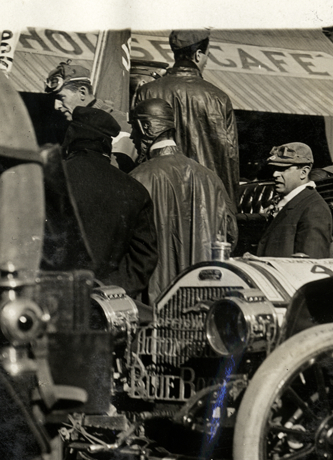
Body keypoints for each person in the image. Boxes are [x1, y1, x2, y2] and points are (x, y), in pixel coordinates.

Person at [43, 106, 157, 299]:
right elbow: (144, 258)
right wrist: (108, 291)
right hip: (106, 307)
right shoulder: (135, 191)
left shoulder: (47, 178)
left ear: (70, 138)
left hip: (52, 299)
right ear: (107, 145)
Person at [128, 98, 235, 299]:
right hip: (203, 297)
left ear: (145, 127)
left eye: (133, 128)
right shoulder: (211, 178)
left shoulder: (137, 178)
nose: (132, 136)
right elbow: (230, 236)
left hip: (154, 302)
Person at [133, 30, 240, 209]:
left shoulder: (148, 91)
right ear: (198, 55)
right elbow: (229, 158)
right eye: (207, 55)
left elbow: (139, 144)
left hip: (157, 193)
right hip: (206, 198)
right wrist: (229, 209)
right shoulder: (218, 97)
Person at [45, 60, 136, 170]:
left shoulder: (122, 126)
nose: (56, 106)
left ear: (82, 93)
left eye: (61, 98)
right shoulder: (67, 124)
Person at [254, 142, 333, 258]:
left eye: (283, 169)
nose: (275, 174)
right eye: (275, 169)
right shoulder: (289, 202)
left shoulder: (314, 209)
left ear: (304, 172)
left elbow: (310, 265)